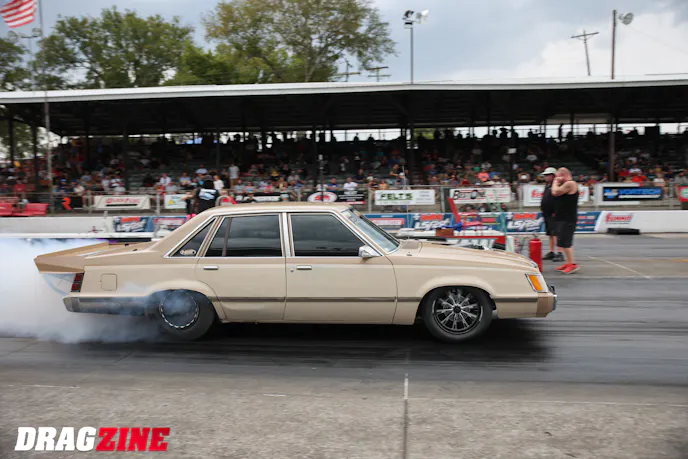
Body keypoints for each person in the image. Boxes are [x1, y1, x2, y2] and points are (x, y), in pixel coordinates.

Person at [552, 167, 579, 274]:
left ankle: (572, 264)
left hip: (568, 218)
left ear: (563, 175)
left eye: (558, 176)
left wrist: (555, 182)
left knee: (566, 242)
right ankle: (568, 262)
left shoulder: (570, 184)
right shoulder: (565, 185)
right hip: (562, 217)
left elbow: (555, 192)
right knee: (562, 242)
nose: (557, 179)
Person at [539, 167, 563, 262]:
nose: (545, 177)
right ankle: (552, 251)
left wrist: (556, 211)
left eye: (547, 175)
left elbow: (559, 200)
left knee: (556, 233)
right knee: (550, 233)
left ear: (553, 176)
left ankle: (560, 252)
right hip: (547, 213)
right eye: (545, 175)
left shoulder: (557, 185)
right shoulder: (547, 185)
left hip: (554, 213)